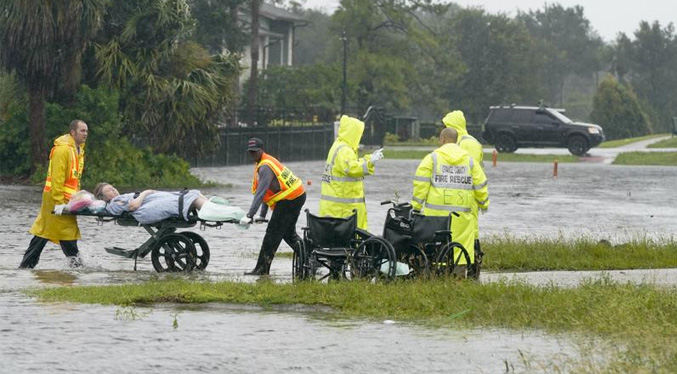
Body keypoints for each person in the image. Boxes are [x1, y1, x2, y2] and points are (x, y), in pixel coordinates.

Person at [411, 127, 489, 278]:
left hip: (435, 215)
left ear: (442, 140)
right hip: (462, 216)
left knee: (436, 244)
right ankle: (459, 275)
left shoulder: (432, 158)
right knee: (462, 245)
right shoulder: (470, 161)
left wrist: (416, 207)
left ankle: (436, 274)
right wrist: (483, 203)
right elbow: (481, 184)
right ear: (457, 141)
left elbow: (421, 183)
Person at [19, 120, 88, 269]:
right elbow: (57, 178)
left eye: (86, 131)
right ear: (73, 132)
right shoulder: (62, 150)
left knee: (46, 233)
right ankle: (77, 268)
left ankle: (26, 266)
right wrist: (59, 203)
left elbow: (74, 178)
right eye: (82, 131)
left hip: (67, 200)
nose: (85, 134)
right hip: (55, 199)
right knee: (61, 234)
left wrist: (78, 198)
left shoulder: (79, 150)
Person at [240, 138, 306, 276]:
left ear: (261, 150)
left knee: (272, 234)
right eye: (250, 152)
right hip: (296, 196)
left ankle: (262, 269)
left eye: (255, 152)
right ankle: (310, 257)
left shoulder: (265, 167)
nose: (253, 155)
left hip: (291, 199)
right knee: (288, 234)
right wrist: (262, 215)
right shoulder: (264, 161)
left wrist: (249, 215)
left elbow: (261, 193)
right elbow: (269, 193)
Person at [443, 110, 487, 278]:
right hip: (460, 199)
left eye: (447, 125)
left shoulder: (468, 143)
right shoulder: (460, 142)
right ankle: (461, 271)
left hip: (469, 199)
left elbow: (473, 173)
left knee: (472, 235)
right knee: (461, 235)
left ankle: (474, 273)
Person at [319, 115, 384, 230]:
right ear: (353, 133)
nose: (361, 136)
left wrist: (369, 158)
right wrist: (370, 163)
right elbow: (352, 168)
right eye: (359, 133)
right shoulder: (344, 150)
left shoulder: (339, 146)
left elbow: (351, 163)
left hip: (336, 207)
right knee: (351, 238)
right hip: (343, 209)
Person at [93, 183, 244, 224]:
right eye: (109, 191)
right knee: (186, 198)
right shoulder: (113, 203)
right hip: (145, 209)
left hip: (150, 201)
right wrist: (145, 193)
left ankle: (217, 207)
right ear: (103, 197)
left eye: (113, 188)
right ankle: (224, 211)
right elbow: (133, 206)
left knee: (191, 194)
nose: (114, 190)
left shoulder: (119, 197)